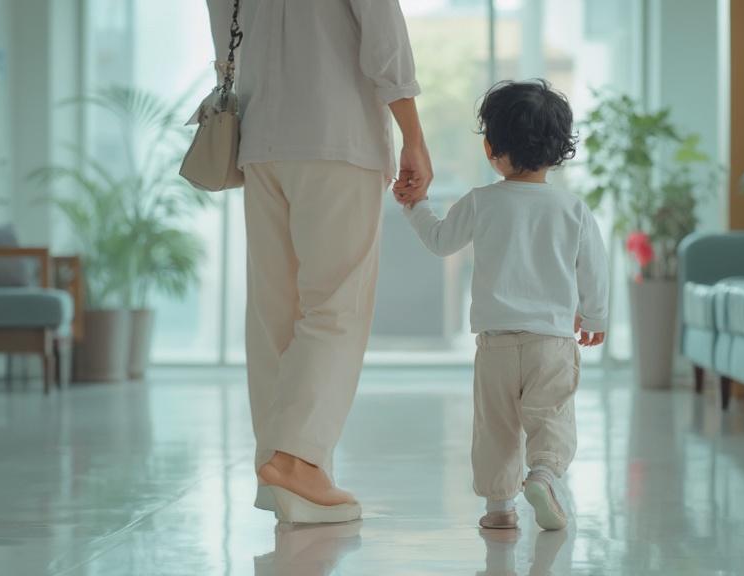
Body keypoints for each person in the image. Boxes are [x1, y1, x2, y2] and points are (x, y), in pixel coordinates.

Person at [206, 0, 432, 524]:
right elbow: (384, 38)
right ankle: (298, 462)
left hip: (260, 141)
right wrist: (413, 136)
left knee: (273, 315)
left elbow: (227, 49)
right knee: (336, 307)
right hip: (338, 134)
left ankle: (282, 472)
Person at [399, 80, 609, 531]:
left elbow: (439, 242)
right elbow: (594, 267)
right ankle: (545, 474)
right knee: (550, 417)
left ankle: (499, 509)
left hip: (495, 344)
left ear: (491, 148)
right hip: (551, 342)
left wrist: (415, 206)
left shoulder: (481, 201)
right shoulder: (572, 208)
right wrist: (594, 316)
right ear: (560, 150)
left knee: (495, 427)